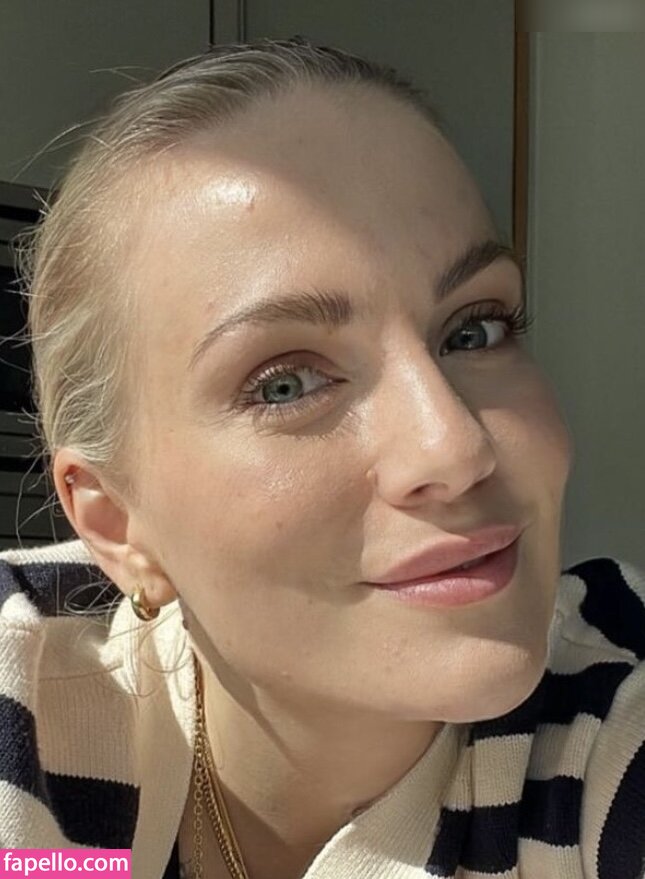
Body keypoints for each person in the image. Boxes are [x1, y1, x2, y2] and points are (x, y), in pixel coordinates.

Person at [0, 37, 643, 879]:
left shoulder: (609, 728)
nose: (455, 446)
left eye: (473, 330)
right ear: (117, 522)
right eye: (285, 383)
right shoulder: (25, 718)